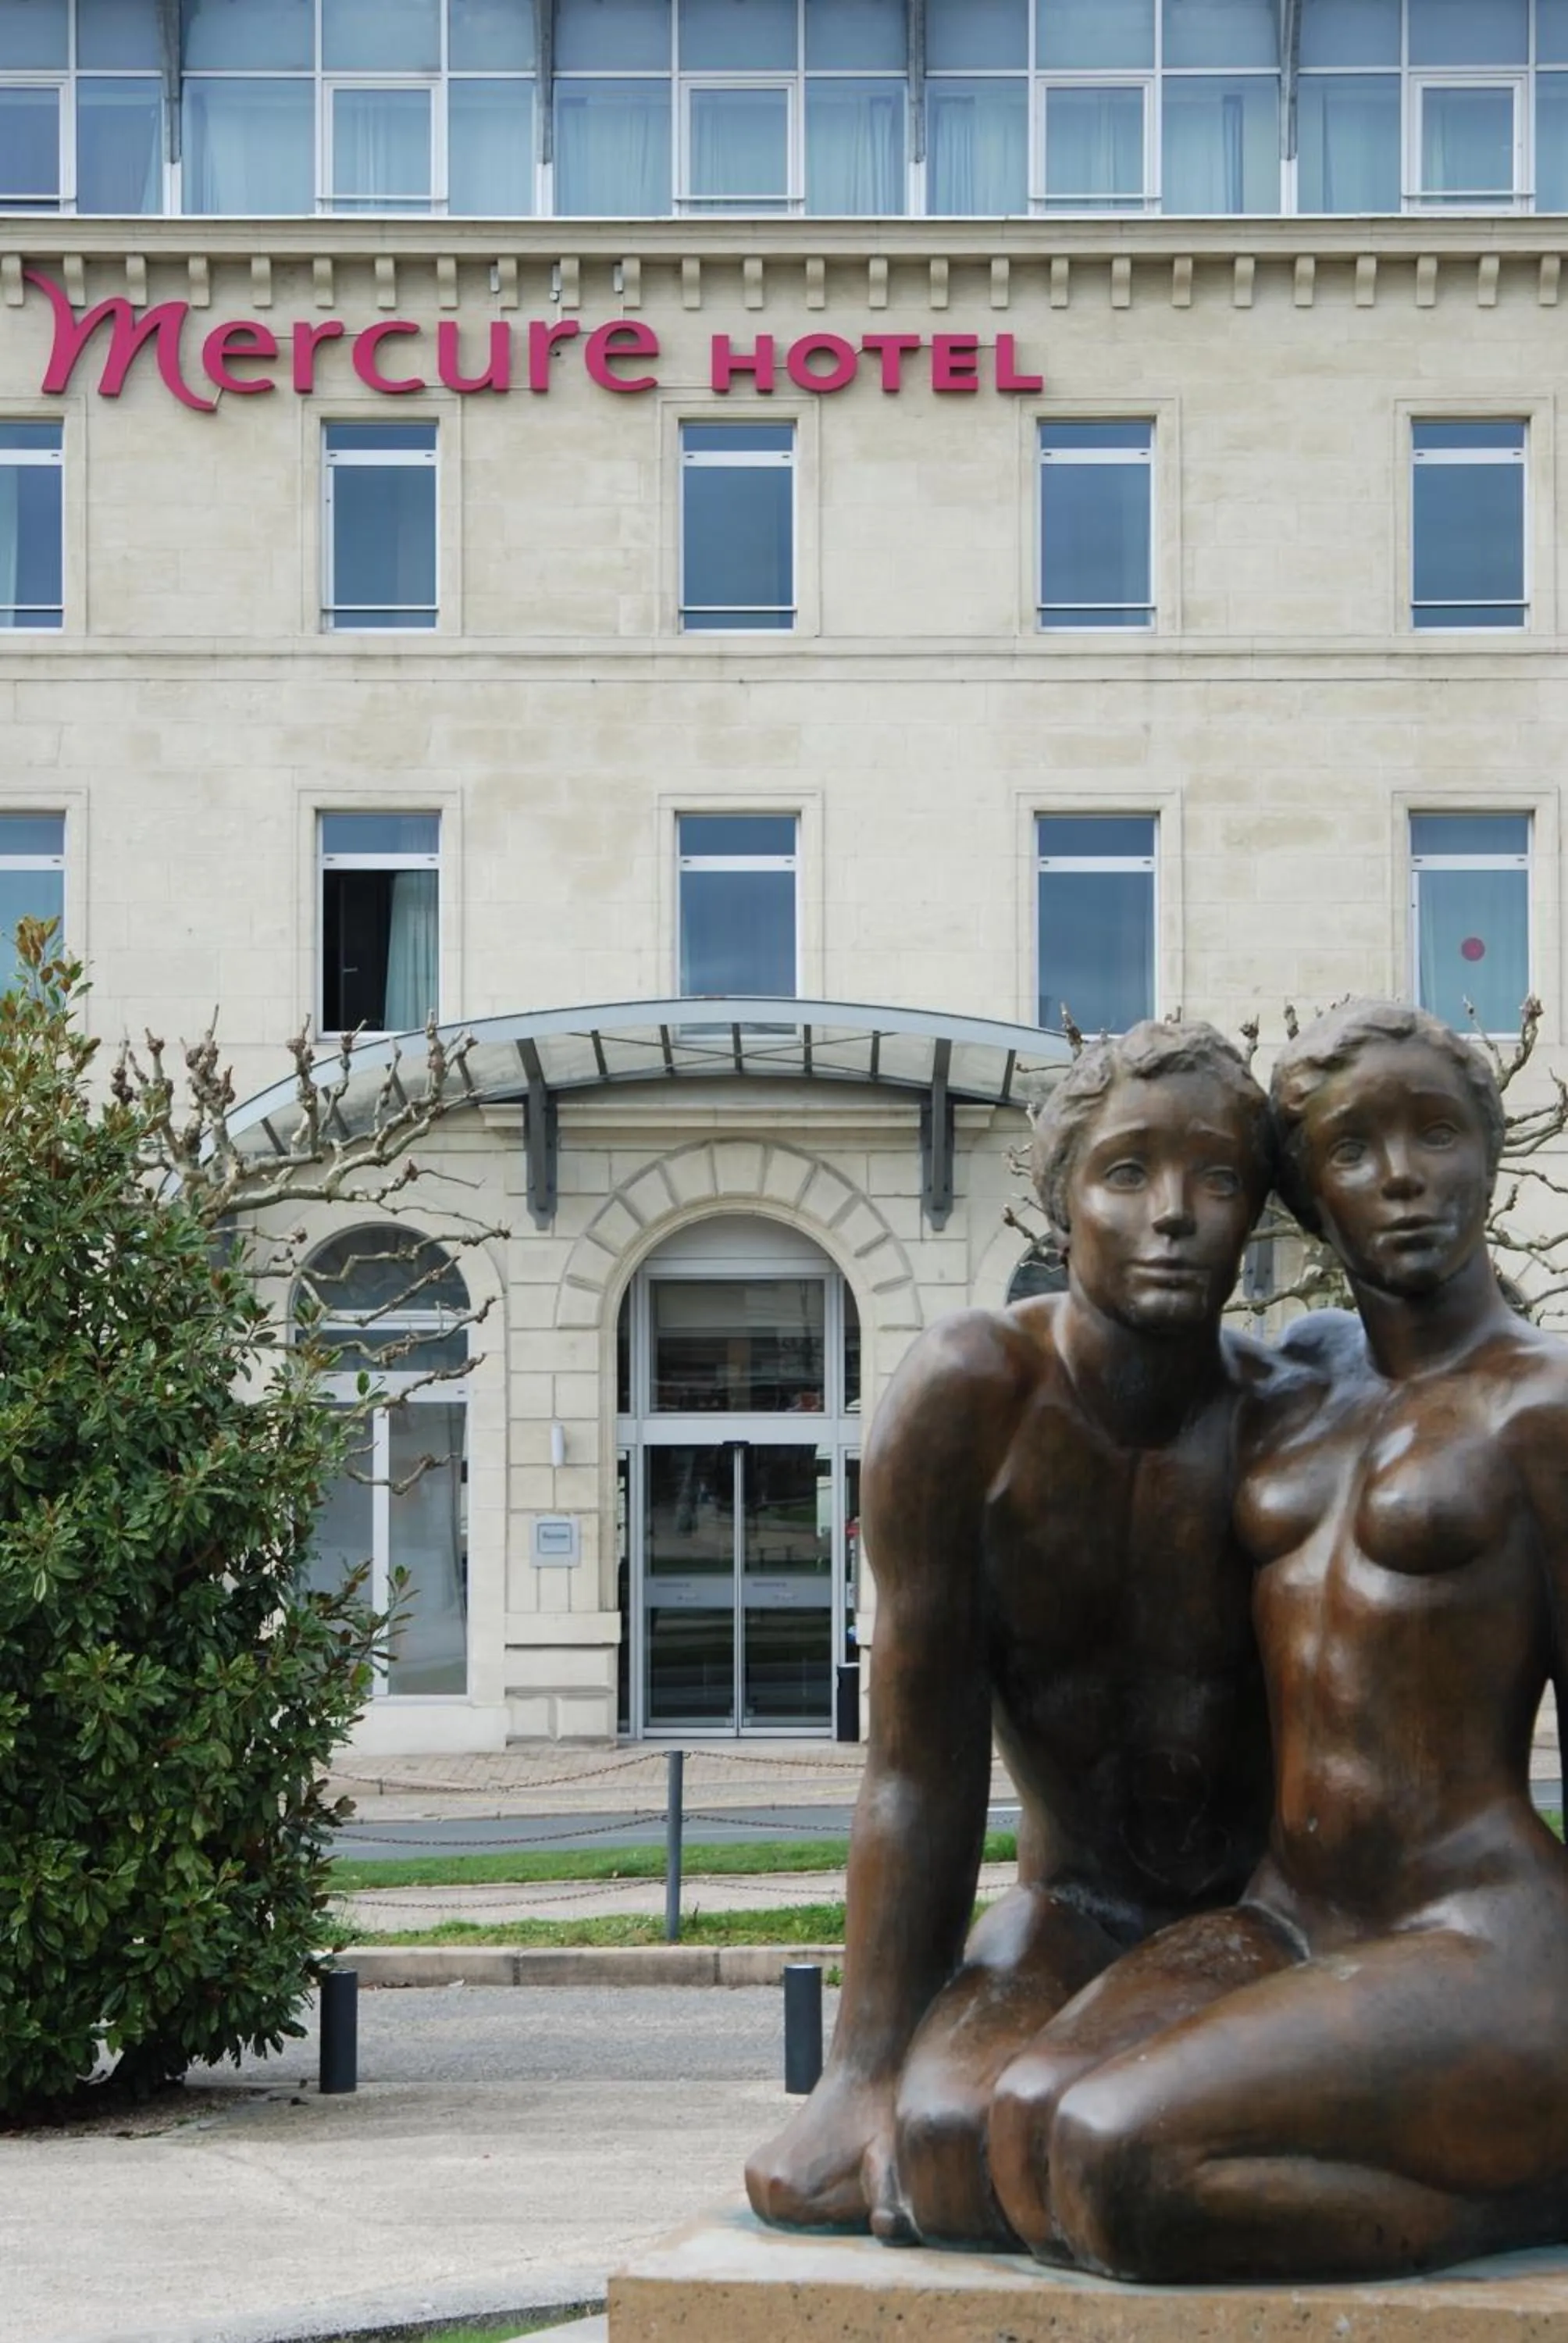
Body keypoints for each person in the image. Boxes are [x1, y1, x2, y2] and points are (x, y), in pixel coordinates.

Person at [987, 1000, 1568, 2284]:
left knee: (1119, 2160)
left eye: (1438, 1135)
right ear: (1305, 1204)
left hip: (1471, 1930)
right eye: (1355, 1151)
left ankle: (1515, 2201)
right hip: (1287, 1917)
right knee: (1019, 2131)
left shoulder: (1546, 1409)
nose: (1404, 1176)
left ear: (1490, 1151)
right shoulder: (1299, 1380)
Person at [746, 1019, 1288, 2246]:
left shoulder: (1294, 1412)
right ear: (1061, 1201)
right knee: (942, 2146)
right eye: (1129, 1171)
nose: (1174, 1214)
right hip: (1075, 1905)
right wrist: (862, 2070)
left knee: (1073, 2139)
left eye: (1219, 1180)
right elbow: (914, 1773)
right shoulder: (970, 1400)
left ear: (1256, 1214)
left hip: (1262, 1914)